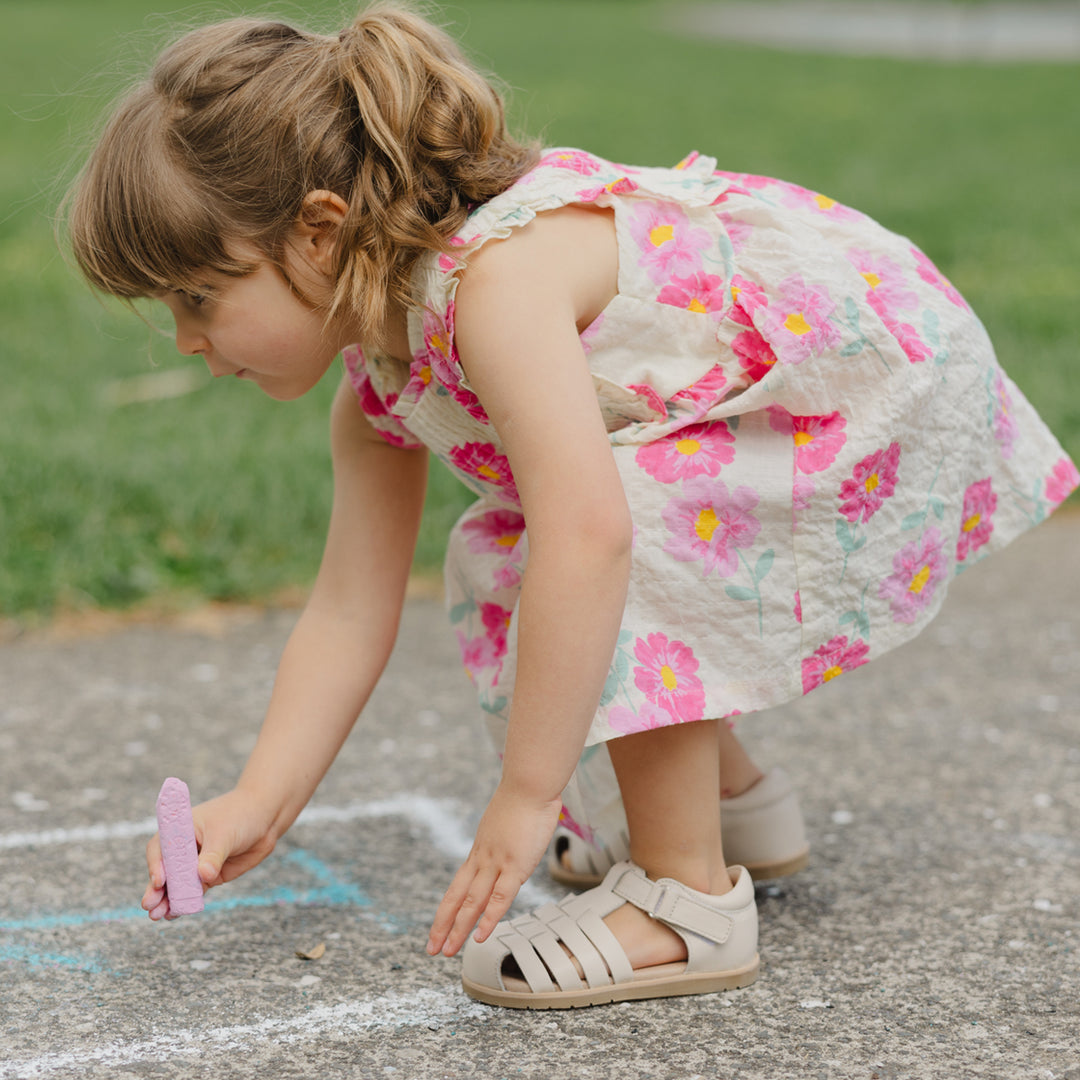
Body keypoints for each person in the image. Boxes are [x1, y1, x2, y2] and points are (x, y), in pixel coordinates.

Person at [64, 2, 1078, 1010]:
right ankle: (730, 803)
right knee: (520, 541)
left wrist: (524, 795)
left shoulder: (496, 286)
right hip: (796, 394)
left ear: (321, 232)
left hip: (861, 382)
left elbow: (593, 541)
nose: (189, 340)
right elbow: (346, 609)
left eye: (201, 296)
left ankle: (689, 901)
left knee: (595, 526)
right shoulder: (376, 380)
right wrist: (260, 799)